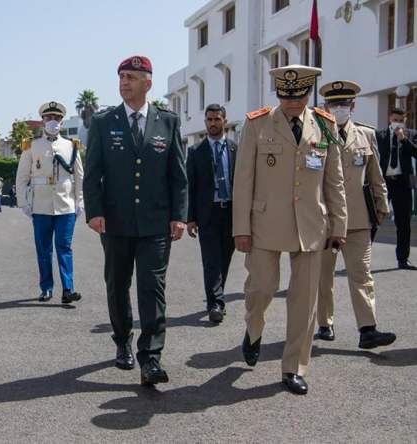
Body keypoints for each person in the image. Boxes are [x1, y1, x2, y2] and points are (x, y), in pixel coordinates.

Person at [233, 65, 347, 395]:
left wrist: (339, 224)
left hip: (311, 225)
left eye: (298, 96)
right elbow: (243, 181)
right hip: (265, 223)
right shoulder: (257, 124)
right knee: (262, 288)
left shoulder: (325, 126)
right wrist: (241, 228)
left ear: (308, 93)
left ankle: (294, 366)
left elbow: (334, 180)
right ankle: (254, 329)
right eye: (286, 95)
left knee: (304, 300)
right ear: (278, 93)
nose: (292, 102)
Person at [83, 55, 187, 386]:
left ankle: (151, 357)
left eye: (130, 77)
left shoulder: (167, 122)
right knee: (117, 285)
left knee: (152, 288)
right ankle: (122, 340)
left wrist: (179, 216)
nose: (124, 82)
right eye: (121, 77)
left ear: (148, 83)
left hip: (156, 223)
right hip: (115, 222)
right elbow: (93, 172)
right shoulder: (104, 121)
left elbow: (178, 175)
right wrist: (95, 211)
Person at [314, 80, 396, 349]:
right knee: (323, 276)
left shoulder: (366, 135)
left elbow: (376, 176)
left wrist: (382, 205)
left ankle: (367, 329)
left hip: (359, 218)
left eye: (344, 104)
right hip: (324, 219)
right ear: (325, 106)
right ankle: (325, 323)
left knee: (362, 274)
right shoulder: (314, 135)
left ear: (352, 105)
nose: (339, 108)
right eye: (334, 104)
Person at [15, 100, 84, 304]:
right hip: (41, 205)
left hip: (65, 205)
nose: (52, 121)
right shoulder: (31, 146)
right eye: (48, 118)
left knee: (65, 247)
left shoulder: (71, 146)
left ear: (61, 121)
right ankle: (46, 288)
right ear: (42, 121)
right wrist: (23, 203)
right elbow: (22, 177)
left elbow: (79, 176)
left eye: (56, 118)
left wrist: (80, 201)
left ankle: (68, 289)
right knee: (44, 249)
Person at [186, 104, 237, 324]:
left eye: (217, 119)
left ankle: (218, 296)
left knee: (225, 259)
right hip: (207, 214)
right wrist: (190, 217)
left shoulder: (236, 148)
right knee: (211, 261)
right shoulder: (196, 151)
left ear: (224, 121)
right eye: (209, 119)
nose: (212, 123)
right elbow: (191, 186)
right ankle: (215, 303)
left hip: (231, 213)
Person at [376, 108, 417, 270]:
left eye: (400, 120)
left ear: (405, 120)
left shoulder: (412, 134)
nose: (397, 123)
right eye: (395, 119)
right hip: (383, 182)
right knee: (373, 220)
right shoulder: (380, 135)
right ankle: (361, 259)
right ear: (389, 119)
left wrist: (404, 140)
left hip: (402, 183)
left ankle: (402, 259)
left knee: (403, 222)